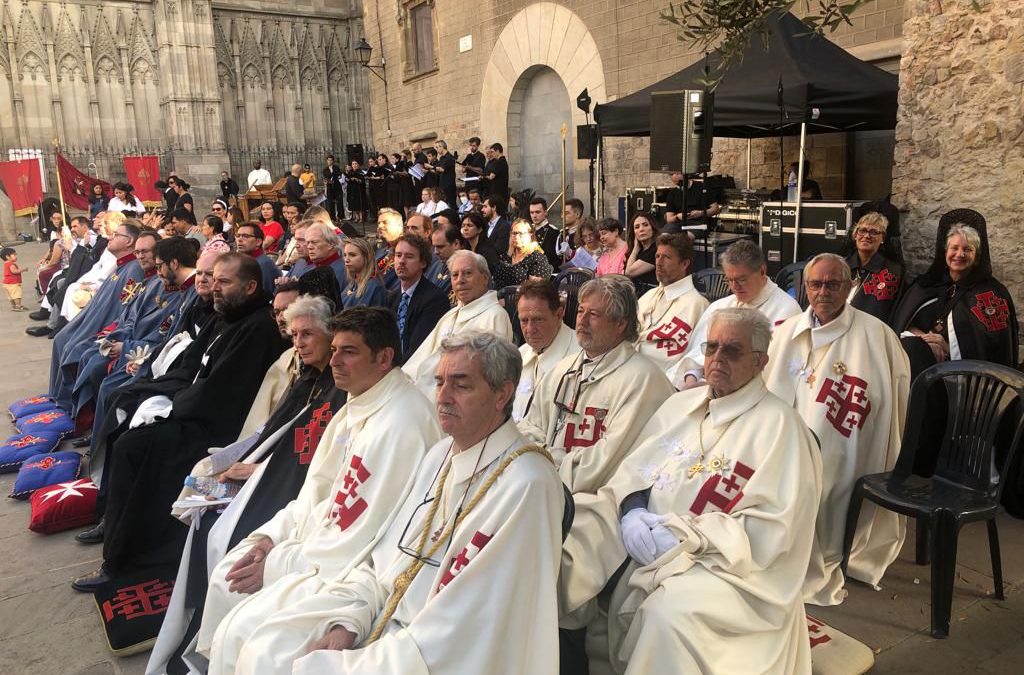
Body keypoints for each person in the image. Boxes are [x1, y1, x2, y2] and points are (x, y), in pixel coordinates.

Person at [560, 308, 822, 675]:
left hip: (723, 563)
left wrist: (683, 537)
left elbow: (773, 533)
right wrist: (632, 510)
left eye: (732, 350)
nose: (716, 359)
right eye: (712, 347)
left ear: (760, 361)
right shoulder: (680, 404)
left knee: (666, 619)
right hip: (642, 530)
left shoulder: (782, 429)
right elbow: (634, 472)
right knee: (563, 551)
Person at [284, 332, 563, 675]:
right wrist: (351, 621)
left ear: (501, 394)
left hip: (438, 654)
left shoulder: (527, 483)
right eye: (439, 382)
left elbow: (469, 627)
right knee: (274, 646)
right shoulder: (439, 456)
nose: (443, 397)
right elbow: (387, 561)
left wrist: (365, 662)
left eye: (461, 385)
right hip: (390, 627)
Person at [197, 308, 443, 674]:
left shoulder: (401, 424)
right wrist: (270, 539)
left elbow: (367, 536)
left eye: (349, 352)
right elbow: (319, 493)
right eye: (335, 350)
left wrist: (279, 563)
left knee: (257, 645)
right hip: (317, 547)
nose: (335, 362)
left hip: (348, 570)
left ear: (385, 357)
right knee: (228, 573)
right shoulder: (357, 404)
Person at [147, 294, 349, 675]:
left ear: (329, 333)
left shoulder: (340, 389)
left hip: (291, 493)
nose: (299, 343)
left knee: (222, 535)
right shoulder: (311, 378)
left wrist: (256, 473)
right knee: (204, 509)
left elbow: (314, 464)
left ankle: (209, 638)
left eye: (308, 334)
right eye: (294, 335)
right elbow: (274, 433)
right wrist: (235, 461)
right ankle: (196, 622)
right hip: (273, 476)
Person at [71, 253, 287, 592]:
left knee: (134, 445)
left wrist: (171, 408)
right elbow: (189, 366)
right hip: (194, 405)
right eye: (213, 279)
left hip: (217, 428)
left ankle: (128, 559)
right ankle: (111, 518)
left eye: (224, 282)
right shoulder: (226, 316)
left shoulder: (257, 328)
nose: (214, 288)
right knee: (123, 403)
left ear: (250, 287)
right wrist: (153, 394)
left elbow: (223, 392)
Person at [764, 253, 909, 606]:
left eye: (832, 284)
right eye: (815, 284)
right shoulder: (787, 333)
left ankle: (822, 550)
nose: (823, 291)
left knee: (820, 470)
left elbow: (891, 399)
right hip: (786, 435)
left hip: (846, 440)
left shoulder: (877, 336)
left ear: (848, 287)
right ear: (805, 288)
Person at [519, 275, 675, 494]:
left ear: (621, 324)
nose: (581, 321)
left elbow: (607, 464)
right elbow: (531, 426)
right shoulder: (564, 369)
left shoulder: (644, 381)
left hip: (593, 502)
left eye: (593, 314)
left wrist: (545, 463)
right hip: (540, 482)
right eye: (581, 311)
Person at [69, 236, 198, 424]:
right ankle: (92, 427)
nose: (140, 258)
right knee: (84, 353)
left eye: (158, 264)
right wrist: (117, 338)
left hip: (157, 360)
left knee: (109, 386)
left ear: (174, 263)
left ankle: (103, 442)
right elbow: (131, 318)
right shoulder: (162, 284)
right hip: (143, 350)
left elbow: (171, 339)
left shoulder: (188, 294)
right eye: (137, 252)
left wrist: (131, 350)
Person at [891, 209, 1018, 375]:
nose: (960, 254)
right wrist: (924, 340)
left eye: (968, 249)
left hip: (964, 381)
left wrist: (947, 346)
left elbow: (992, 347)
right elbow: (903, 321)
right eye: (954, 248)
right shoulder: (926, 284)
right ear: (945, 251)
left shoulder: (991, 294)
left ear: (977, 256)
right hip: (917, 370)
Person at [672, 239, 801, 389]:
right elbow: (698, 354)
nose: (735, 287)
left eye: (741, 279)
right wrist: (691, 376)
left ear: (762, 271)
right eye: (729, 280)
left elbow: (775, 370)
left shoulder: (787, 311)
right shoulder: (720, 306)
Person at [44, 223, 144, 401]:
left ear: (128, 241)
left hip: (105, 325)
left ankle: (66, 401)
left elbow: (123, 308)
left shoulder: (134, 268)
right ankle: (57, 397)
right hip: (91, 320)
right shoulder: (120, 266)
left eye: (116, 234)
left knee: (70, 345)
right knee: (62, 338)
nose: (110, 237)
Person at [402, 250, 512, 396]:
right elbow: (420, 360)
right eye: (455, 275)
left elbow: (489, 378)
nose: (460, 280)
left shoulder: (495, 316)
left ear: (485, 278)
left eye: (467, 273)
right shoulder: (450, 315)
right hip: (422, 393)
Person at [636, 234, 709, 375]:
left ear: (684, 264)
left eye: (666, 257)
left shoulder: (698, 305)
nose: (659, 262)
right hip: (632, 369)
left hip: (665, 379)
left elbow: (696, 357)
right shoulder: (650, 295)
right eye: (657, 256)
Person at [513, 278, 577, 422]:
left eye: (538, 320)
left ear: (559, 315)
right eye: (524, 320)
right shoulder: (520, 354)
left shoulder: (580, 357)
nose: (530, 330)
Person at [389, 233, 450, 359]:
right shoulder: (392, 297)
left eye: (409, 257)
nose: (401, 261)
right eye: (398, 255)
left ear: (422, 262)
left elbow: (419, 349)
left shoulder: (435, 299)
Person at [843, 211, 904, 326]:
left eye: (874, 232)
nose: (867, 236)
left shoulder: (894, 272)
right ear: (855, 235)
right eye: (862, 231)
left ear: (882, 239)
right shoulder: (840, 266)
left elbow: (895, 313)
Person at [493, 219, 554, 288]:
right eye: (514, 233)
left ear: (530, 235)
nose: (516, 237)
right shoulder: (505, 257)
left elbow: (538, 289)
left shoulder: (537, 258)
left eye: (521, 233)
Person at [234, 223, 282, 295]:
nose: (239, 239)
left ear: (258, 242)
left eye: (245, 236)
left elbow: (264, 294)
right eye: (238, 236)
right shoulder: (240, 260)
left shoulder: (263, 264)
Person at [428, 218, 467, 305]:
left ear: (456, 244)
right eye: (434, 247)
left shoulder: (471, 268)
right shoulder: (435, 265)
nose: (435, 252)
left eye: (440, 247)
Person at [340, 238, 387, 309]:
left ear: (367, 257)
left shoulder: (375, 287)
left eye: (352, 255)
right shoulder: (353, 283)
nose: (346, 260)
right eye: (345, 255)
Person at [302, 222, 347, 295]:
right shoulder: (311, 268)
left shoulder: (343, 270)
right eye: (308, 243)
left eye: (314, 242)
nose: (309, 247)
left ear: (330, 244)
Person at [624, 212, 661, 293]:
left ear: (652, 227)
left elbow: (629, 273)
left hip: (652, 294)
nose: (641, 229)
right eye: (637, 227)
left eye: (645, 225)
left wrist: (635, 250)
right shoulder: (634, 251)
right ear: (633, 232)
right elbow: (627, 278)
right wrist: (635, 249)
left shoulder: (657, 249)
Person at [374, 208, 405, 292]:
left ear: (399, 225)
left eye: (385, 222)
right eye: (379, 223)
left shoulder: (407, 251)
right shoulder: (381, 250)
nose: (380, 226)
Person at [529, 197, 561, 272]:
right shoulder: (528, 230)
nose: (534, 216)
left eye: (537, 212)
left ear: (545, 212)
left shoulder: (553, 232)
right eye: (531, 212)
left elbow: (550, 257)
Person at [433, 140, 457, 206]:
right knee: (443, 205)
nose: (436, 150)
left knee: (452, 205)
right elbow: (437, 169)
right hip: (442, 185)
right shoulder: (442, 158)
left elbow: (442, 169)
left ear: (442, 147)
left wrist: (431, 167)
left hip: (449, 186)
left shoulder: (449, 157)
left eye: (437, 147)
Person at [1, 247, 26, 311]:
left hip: (6, 283)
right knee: (17, 295)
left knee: (11, 296)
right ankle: (18, 306)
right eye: (14, 255)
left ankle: (14, 306)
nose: (16, 256)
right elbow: (14, 271)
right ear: (7, 256)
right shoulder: (11, 264)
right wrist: (23, 269)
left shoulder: (6, 263)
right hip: (13, 283)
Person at [323, 155, 344, 221]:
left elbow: (339, 174)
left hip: (337, 187)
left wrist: (333, 173)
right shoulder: (325, 169)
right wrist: (332, 173)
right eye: (328, 160)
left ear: (333, 161)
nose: (330, 161)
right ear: (327, 161)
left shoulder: (336, 167)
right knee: (330, 204)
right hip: (330, 187)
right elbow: (327, 176)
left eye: (331, 160)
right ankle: (332, 217)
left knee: (339, 203)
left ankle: (340, 217)